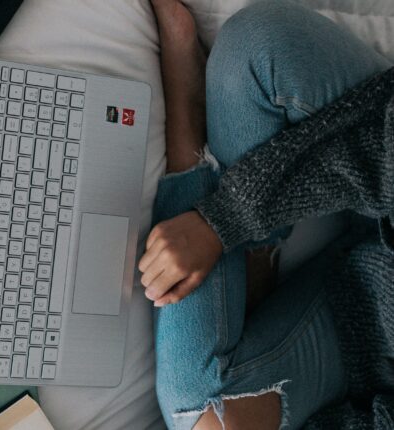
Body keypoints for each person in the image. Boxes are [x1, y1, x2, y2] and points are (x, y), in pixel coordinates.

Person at [144, 0, 394, 429]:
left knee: (202, 415)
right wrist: (228, 219)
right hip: (380, 162)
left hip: (371, 320)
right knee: (258, 46)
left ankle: (190, 141)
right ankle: (254, 253)